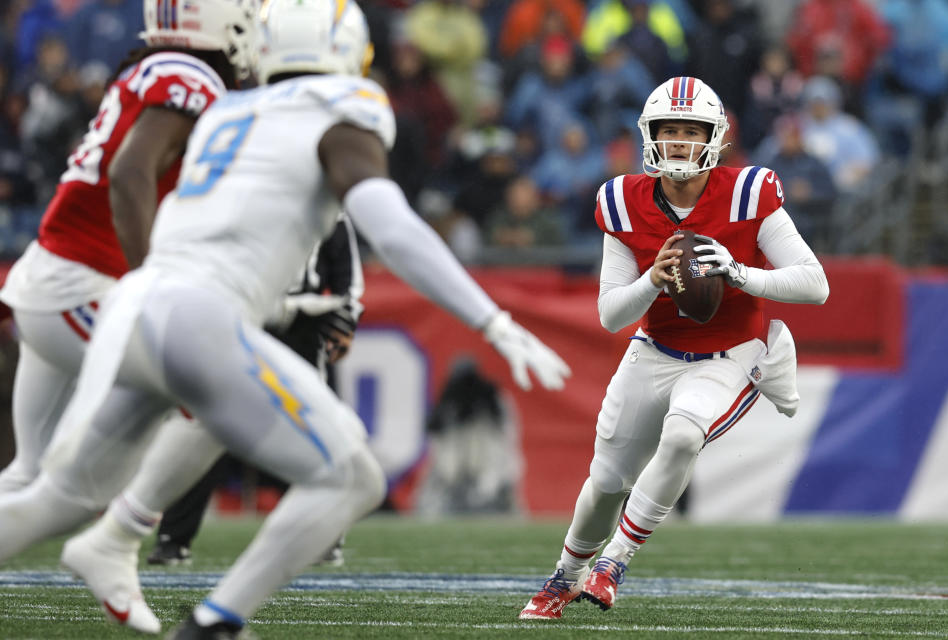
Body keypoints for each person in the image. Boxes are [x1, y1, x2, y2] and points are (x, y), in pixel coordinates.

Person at [0, 4, 570, 640]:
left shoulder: (230, 109)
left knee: (53, 497)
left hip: (136, 305)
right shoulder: (342, 105)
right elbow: (392, 227)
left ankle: (116, 541)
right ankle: (215, 623)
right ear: (350, 49)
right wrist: (489, 319)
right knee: (352, 476)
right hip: (195, 319)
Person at [520, 76, 829, 620]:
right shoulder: (622, 198)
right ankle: (564, 578)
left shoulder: (748, 191)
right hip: (655, 347)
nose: (681, 142)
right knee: (605, 483)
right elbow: (611, 312)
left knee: (684, 433)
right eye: (671, 130)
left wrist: (738, 273)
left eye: (692, 131)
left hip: (730, 353)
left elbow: (814, 283)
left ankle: (615, 562)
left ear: (714, 137)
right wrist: (652, 281)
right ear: (650, 136)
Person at [0, 0, 259, 495]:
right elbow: (128, 173)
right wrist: (150, 283)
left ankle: (115, 537)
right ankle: (124, 532)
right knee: (210, 396)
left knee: (29, 474)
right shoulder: (190, 80)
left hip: (57, 275)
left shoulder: (152, 70)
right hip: (79, 284)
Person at [146, 215, 365, 567]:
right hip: (243, 315)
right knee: (208, 424)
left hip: (301, 326)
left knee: (314, 428)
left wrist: (347, 319)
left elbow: (347, 274)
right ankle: (174, 537)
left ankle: (324, 534)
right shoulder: (248, 193)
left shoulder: (327, 205)